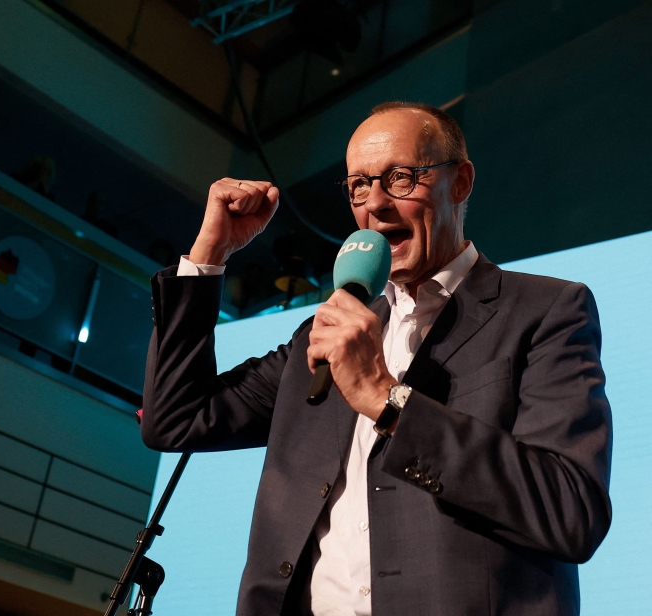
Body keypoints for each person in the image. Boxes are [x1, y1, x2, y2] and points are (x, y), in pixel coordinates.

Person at [140, 102, 612, 616]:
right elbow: (175, 420)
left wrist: (388, 401)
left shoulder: (545, 311)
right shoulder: (323, 337)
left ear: (460, 182)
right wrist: (210, 255)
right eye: (358, 185)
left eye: (401, 177)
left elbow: (571, 511)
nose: (376, 204)